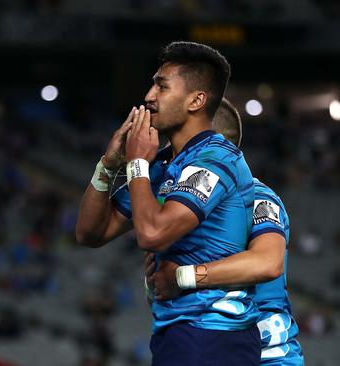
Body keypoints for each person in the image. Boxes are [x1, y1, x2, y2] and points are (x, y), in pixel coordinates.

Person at [76, 41, 259, 365]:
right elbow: (90, 234)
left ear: (196, 100)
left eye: (161, 87)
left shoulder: (215, 160)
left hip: (214, 336)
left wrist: (136, 165)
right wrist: (108, 164)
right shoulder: (161, 167)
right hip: (176, 333)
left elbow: (152, 234)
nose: (148, 97)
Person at [145, 98, 304, 365]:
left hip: (268, 354)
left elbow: (268, 262)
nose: (167, 154)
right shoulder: (180, 205)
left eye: (177, 142)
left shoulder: (259, 198)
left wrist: (181, 277)